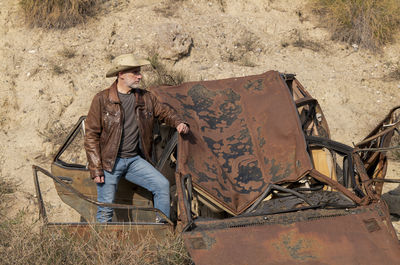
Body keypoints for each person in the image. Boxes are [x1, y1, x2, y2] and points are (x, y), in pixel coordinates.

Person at [84, 53, 189, 223]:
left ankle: (161, 229)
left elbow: (164, 112)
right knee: (105, 210)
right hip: (110, 162)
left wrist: (178, 122)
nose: (139, 76)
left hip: (134, 160)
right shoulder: (102, 99)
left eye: (139, 72)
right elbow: (91, 135)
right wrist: (96, 168)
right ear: (121, 75)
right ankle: (103, 245)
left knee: (161, 185)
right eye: (135, 72)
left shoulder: (145, 98)